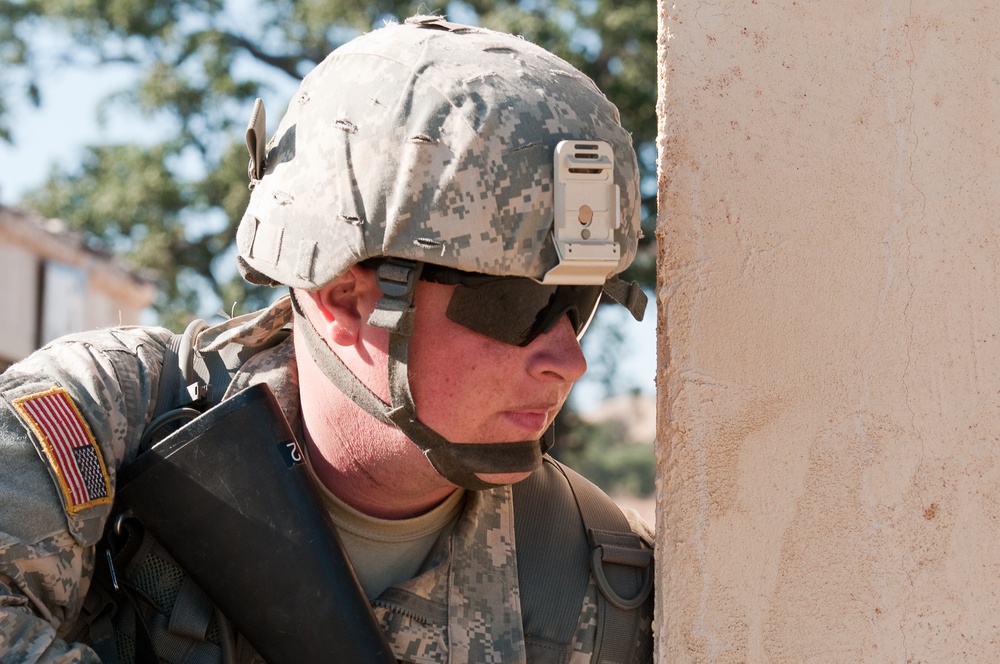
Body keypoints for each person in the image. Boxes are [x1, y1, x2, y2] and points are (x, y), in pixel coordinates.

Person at [0, 14, 653, 663]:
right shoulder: (111, 419)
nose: (569, 359)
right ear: (344, 294)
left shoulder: (608, 581)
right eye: (520, 305)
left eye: (581, 303)